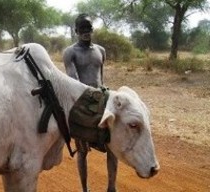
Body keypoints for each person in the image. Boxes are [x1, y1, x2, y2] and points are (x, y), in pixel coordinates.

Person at [63, 13, 118, 192]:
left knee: (112, 147)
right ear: (76, 31)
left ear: (92, 30)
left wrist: (103, 96)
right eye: (82, 29)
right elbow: (74, 81)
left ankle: (111, 187)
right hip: (83, 105)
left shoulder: (100, 51)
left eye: (89, 28)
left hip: (102, 103)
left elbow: (101, 78)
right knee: (83, 151)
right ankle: (85, 189)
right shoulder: (70, 52)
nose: (86, 32)